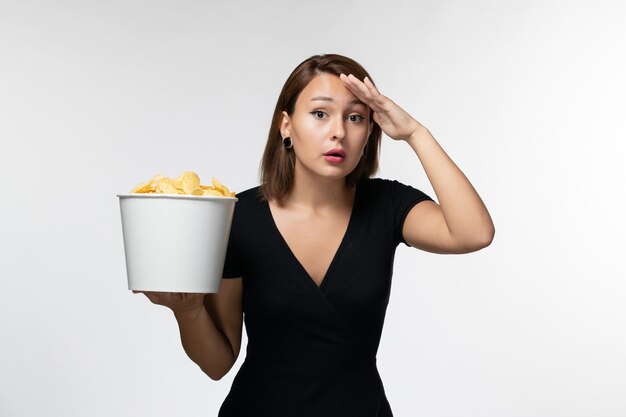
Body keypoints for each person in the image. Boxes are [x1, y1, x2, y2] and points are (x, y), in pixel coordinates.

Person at [135, 53, 495, 416]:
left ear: (370, 131)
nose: (338, 130)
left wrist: (416, 133)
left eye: (355, 117)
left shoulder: (387, 205)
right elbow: (218, 364)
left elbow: (474, 233)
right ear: (286, 126)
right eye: (320, 114)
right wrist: (188, 310)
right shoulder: (238, 216)